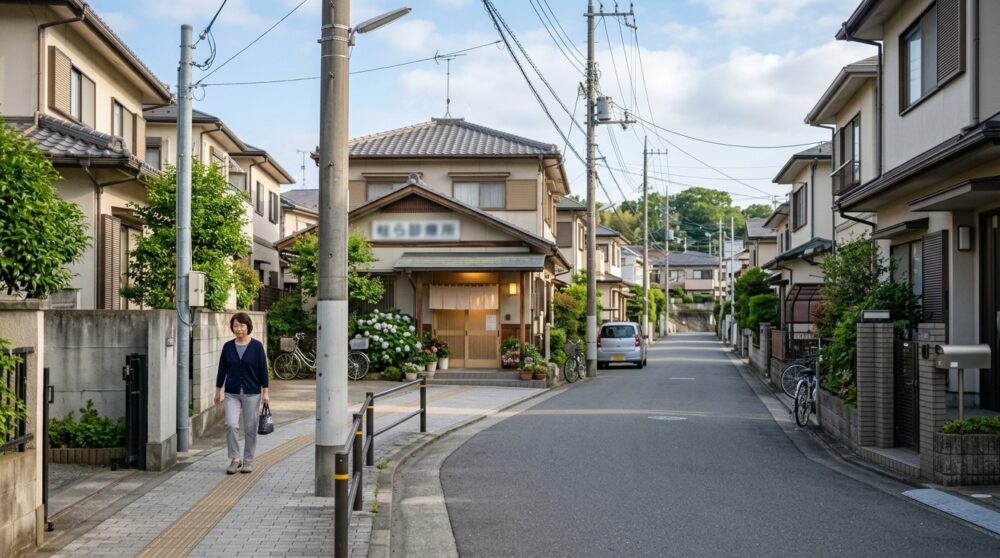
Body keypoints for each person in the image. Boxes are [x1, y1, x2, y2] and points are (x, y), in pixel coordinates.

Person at [214, 312, 270, 474]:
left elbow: (263, 371)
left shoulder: (257, 346)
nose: (238, 329)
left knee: (250, 428)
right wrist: (218, 391)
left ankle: (248, 461)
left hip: (252, 392)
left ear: (248, 327)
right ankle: (235, 459)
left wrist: (265, 392)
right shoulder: (228, 347)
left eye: (241, 326)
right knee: (231, 425)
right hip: (231, 392)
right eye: (235, 326)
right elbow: (222, 370)